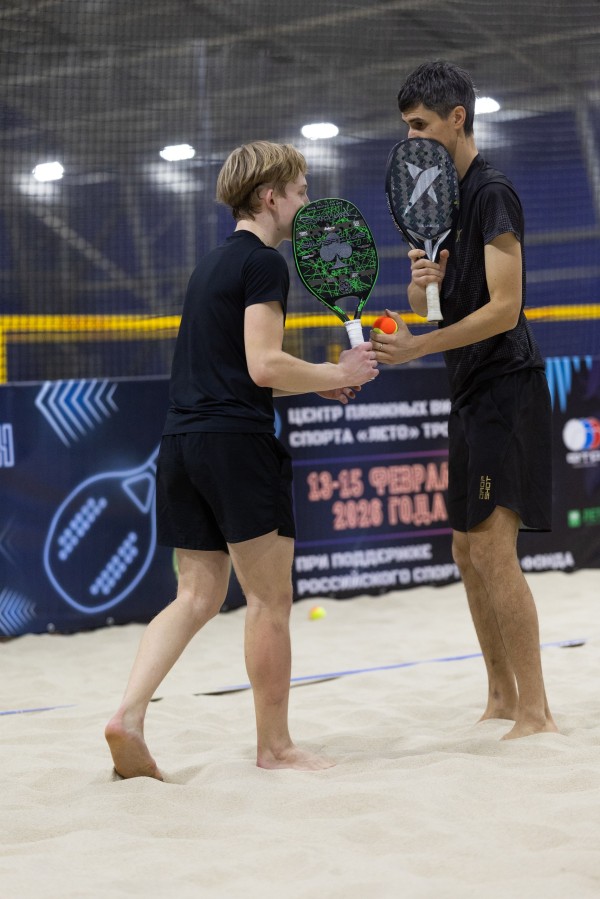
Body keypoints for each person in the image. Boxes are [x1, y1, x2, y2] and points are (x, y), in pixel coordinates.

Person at [105, 140, 379, 779]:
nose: (306, 203)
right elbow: (263, 365)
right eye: (301, 191)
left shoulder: (211, 265)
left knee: (196, 596)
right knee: (269, 600)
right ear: (269, 196)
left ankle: (128, 716)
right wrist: (337, 370)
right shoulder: (264, 263)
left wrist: (319, 382)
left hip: (182, 443)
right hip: (236, 446)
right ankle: (275, 747)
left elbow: (236, 373)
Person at [373, 61, 557, 739]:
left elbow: (506, 308)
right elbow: (437, 302)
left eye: (420, 124)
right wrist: (424, 285)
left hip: (506, 385)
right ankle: (501, 698)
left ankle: (536, 712)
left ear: (457, 118)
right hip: (470, 388)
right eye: (406, 126)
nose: (411, 138)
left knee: (492, 549)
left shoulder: (492, 192)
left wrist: (420, 346)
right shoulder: (442, 200)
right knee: (464, 548)